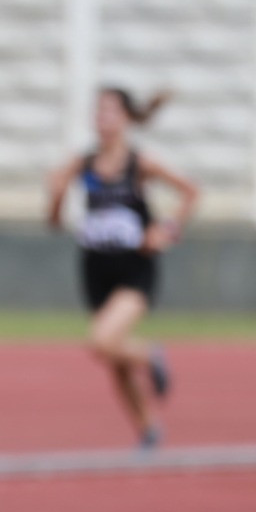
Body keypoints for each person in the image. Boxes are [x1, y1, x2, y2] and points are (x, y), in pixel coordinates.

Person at [46, 87, 199, 448]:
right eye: (98, 111)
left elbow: (190, 192)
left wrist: (167, 229)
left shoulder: (139, 163)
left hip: (134, 268)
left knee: (102, 342)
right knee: (116, 363)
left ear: (127, 118)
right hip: (96, 270)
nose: (103, 118)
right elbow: (53, 222)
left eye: (111, 111)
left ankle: (152, 353)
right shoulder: (82, 165)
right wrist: (55, 196)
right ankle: (148, 430)